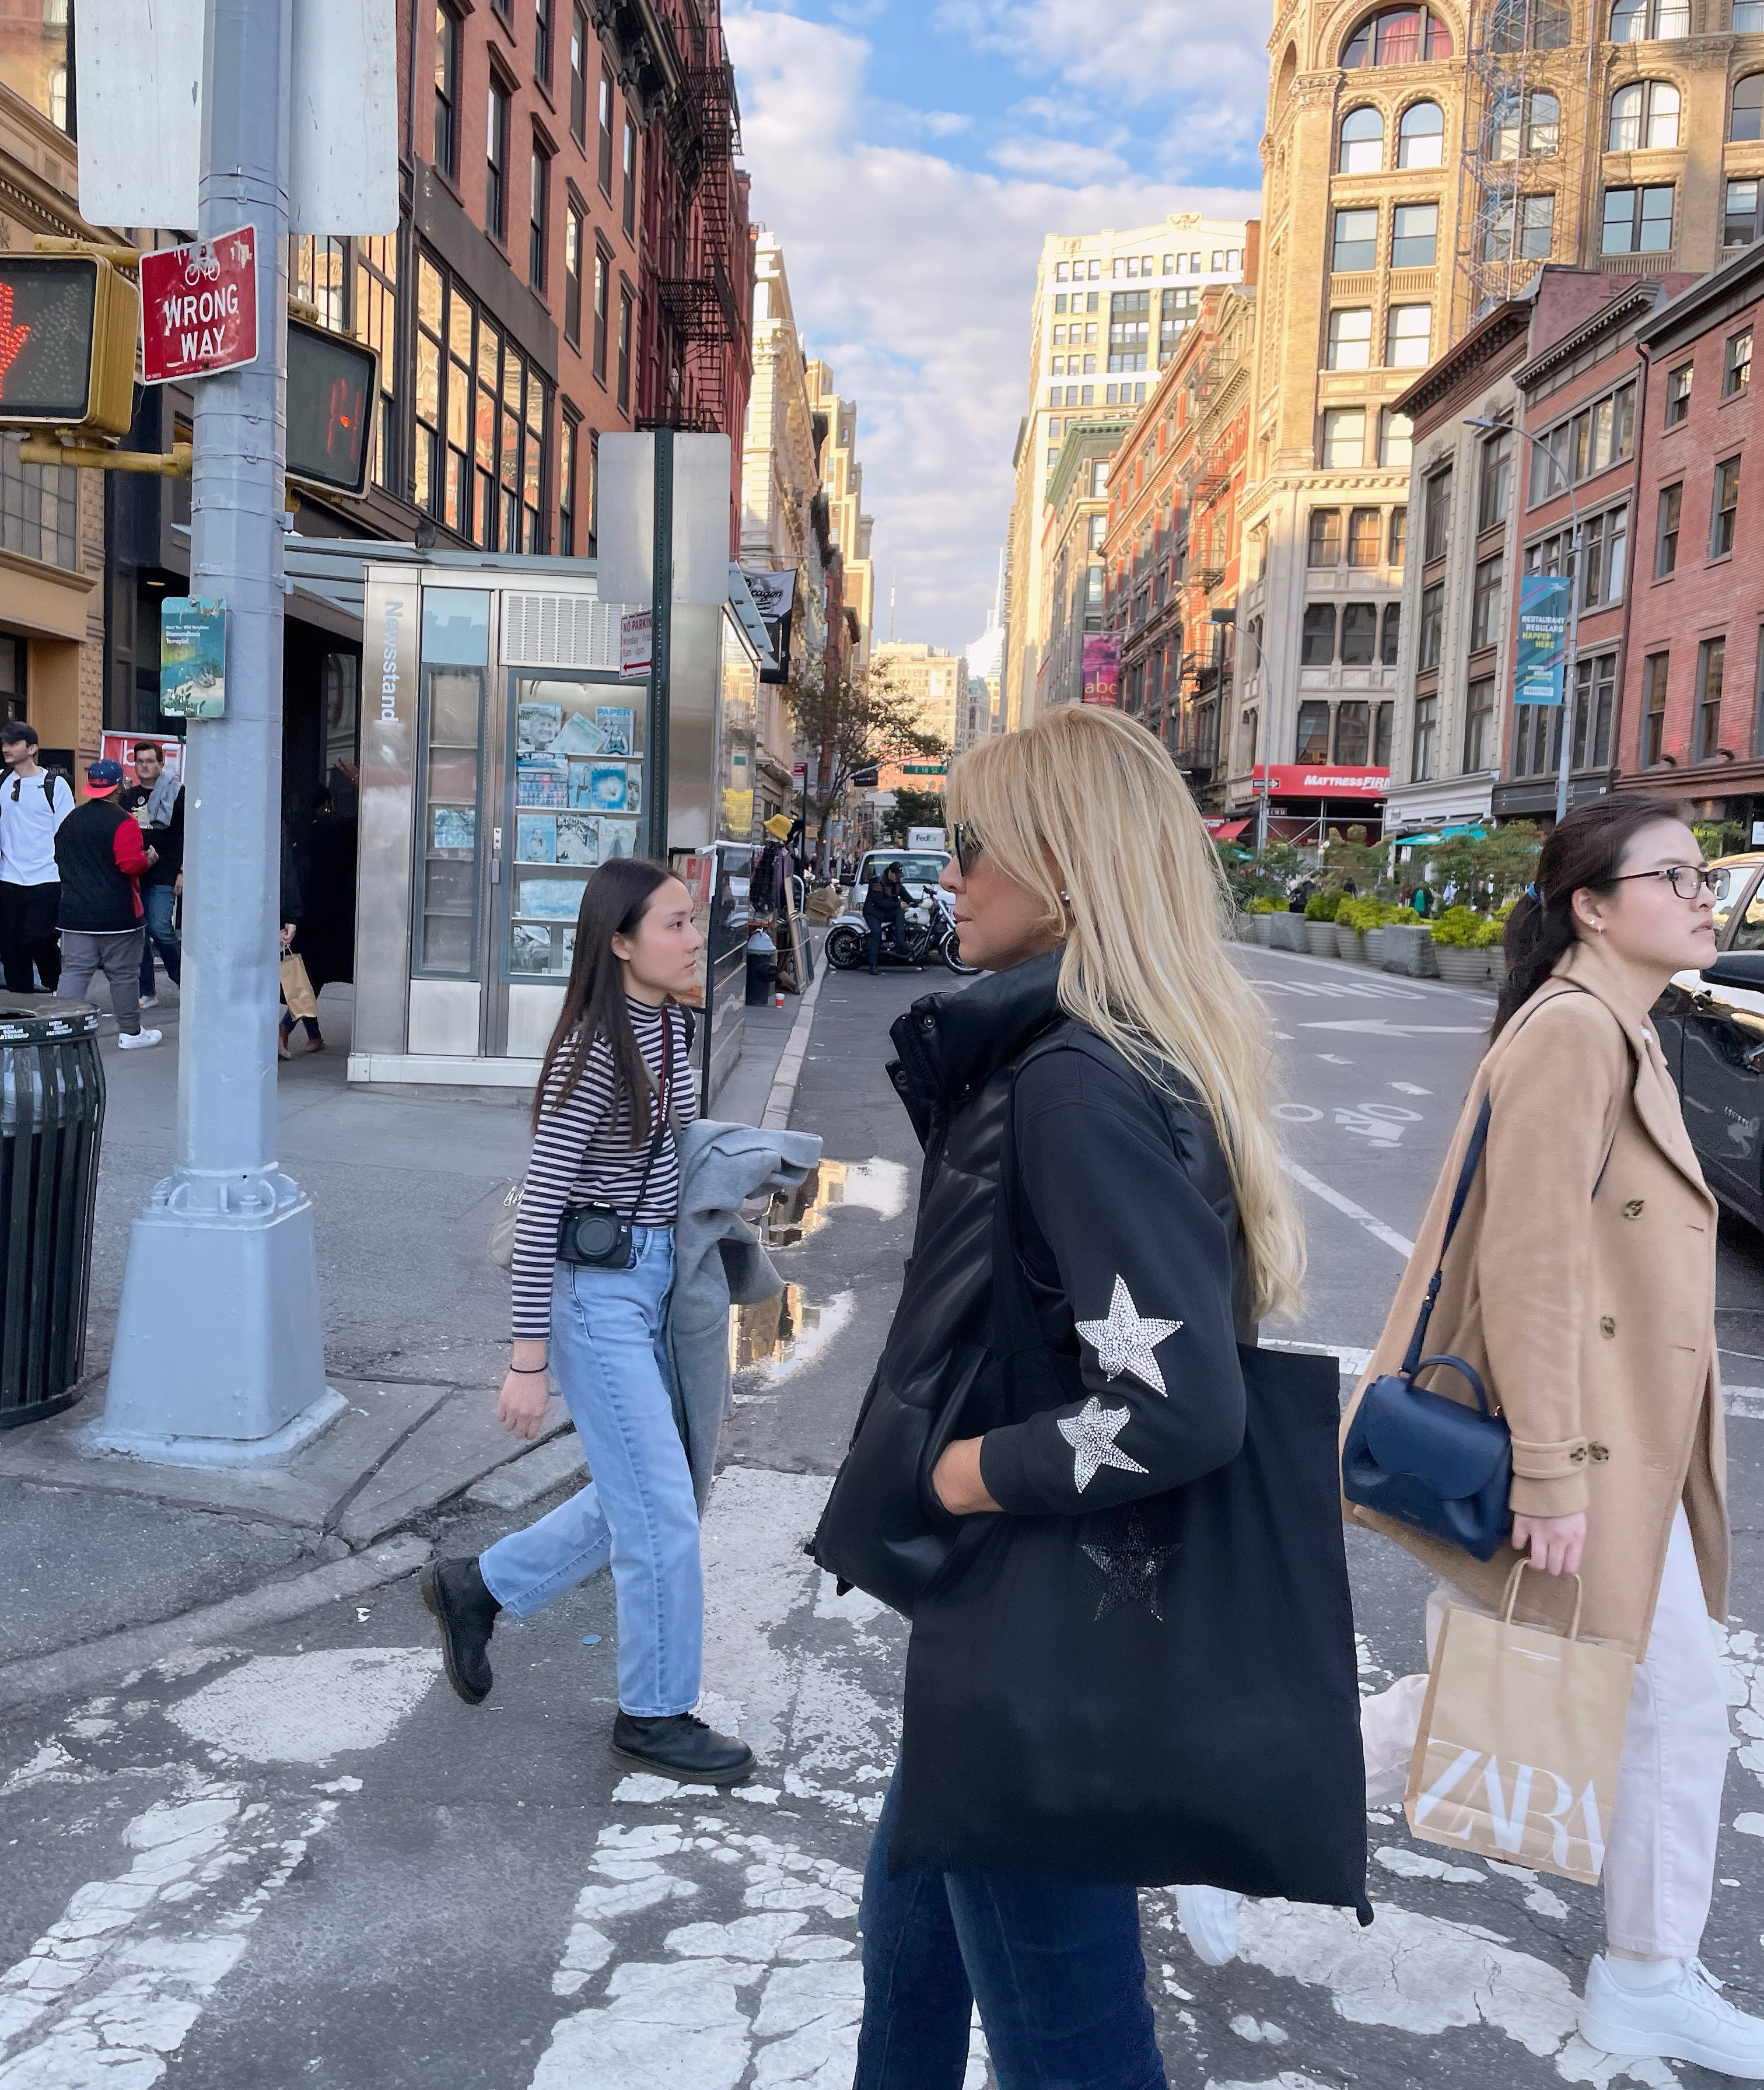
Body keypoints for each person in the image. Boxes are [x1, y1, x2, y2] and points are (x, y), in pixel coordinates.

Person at [821, 707, 1366, 2089]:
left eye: (976, 848)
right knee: (911, 1961)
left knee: (1071, 2046)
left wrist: (964, 1473)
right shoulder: (1095, 1051)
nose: (953, 876)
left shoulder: (1071, 1081)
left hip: (1039, 1631)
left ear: (1062, 866)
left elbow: (1178, 1401)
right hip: (1016, 1618)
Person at [1349, 797, 1763, 2078]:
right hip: (1590, 1452)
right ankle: (1642, 1976)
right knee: (1631, 1697)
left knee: (1619, 1696)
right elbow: (1525, 1265)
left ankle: (1646, 1970)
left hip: (1631, 1441)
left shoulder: (1616, 1029)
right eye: (1678, 877)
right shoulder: (1575, 1037)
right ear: (1593, 905)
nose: (1707, 897)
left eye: (1706, 878)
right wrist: (1549, 1475)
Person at [419, 858, 757, 1786]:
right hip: (592, 1296)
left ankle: (478, 1586)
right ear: (620, 943)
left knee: (648, 1493)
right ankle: (655, 1712)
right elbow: (540, 1214)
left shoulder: (672, 1028)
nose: (696, 939)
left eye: (696, 922)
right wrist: (527, 1360)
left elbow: (669, 1167)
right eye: (677, 925)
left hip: (652, 1286)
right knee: (664, 1516)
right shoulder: (593, 1050)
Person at [52, 758, 160, 1049]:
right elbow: (130, 865)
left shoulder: (72, 820)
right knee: (124, 976)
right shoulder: (124, 822)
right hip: (118, 916)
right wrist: (148, 859)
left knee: (74, 972)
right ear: (119, 787)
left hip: (75, 914)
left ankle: (60, 1030)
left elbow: (59, 858)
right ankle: (130, 1033)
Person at [0, 720, 74, 994]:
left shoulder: (55, 785)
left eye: (13, 743)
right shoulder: (3, 781)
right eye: (4, 742)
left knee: (39, 938)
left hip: (47, 877)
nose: (6, 748)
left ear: (32, 748)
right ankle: (23, 1004)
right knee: (10, 947)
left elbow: (65, 834)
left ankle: (57, 988)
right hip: (8, 878)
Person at [122, 741, 183, 1007]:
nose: (144, 766)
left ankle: (184, 979)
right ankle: (147, 991)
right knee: (139, 934)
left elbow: (187, 836)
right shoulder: (127, 796)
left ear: (161, 763)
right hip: (135, 874)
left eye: (150, 761)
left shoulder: (177, 794)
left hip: (165, 873)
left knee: (160, 928)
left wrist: (182, 871)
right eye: (140, 761)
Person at [278, 819, 323, 1057]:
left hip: (294, 913)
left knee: (306, 979)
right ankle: (285, 1029)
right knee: (306, 980)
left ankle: (313, 1035)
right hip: (304, 915)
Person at [862, 860, 902, 975]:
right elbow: (879, 901)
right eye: (896, 875)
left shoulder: (897, 883)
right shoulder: (878, 881)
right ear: (890, 872)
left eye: (899, 876)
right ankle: (873, 965)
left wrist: (917, 903)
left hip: (885, 912)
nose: (897, 878)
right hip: (873, 912)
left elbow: (905, 894)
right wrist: (898, 905)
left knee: (901, 912)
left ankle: (901, 942)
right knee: (876, 932)